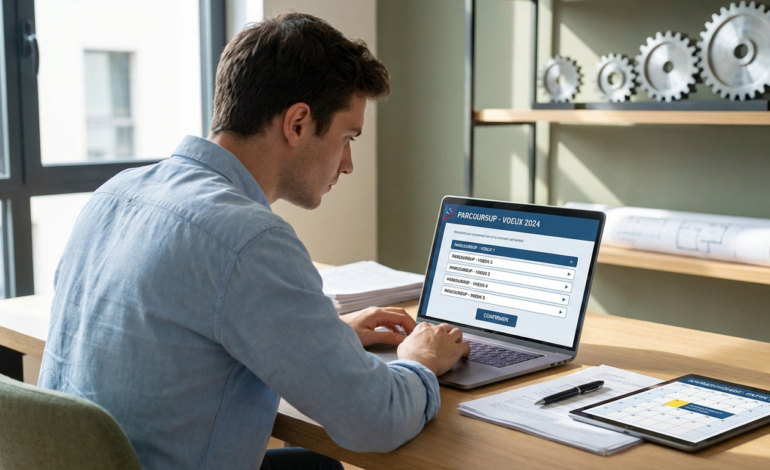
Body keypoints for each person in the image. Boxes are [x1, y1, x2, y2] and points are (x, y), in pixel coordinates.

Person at [38, 12, 470, 470]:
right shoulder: (248, 239)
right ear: (298, 123)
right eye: (347, 137)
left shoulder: (116, 193)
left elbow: (178, 336)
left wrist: (326, 337)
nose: (347, 164)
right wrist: (421, 360)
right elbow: (376, 420)